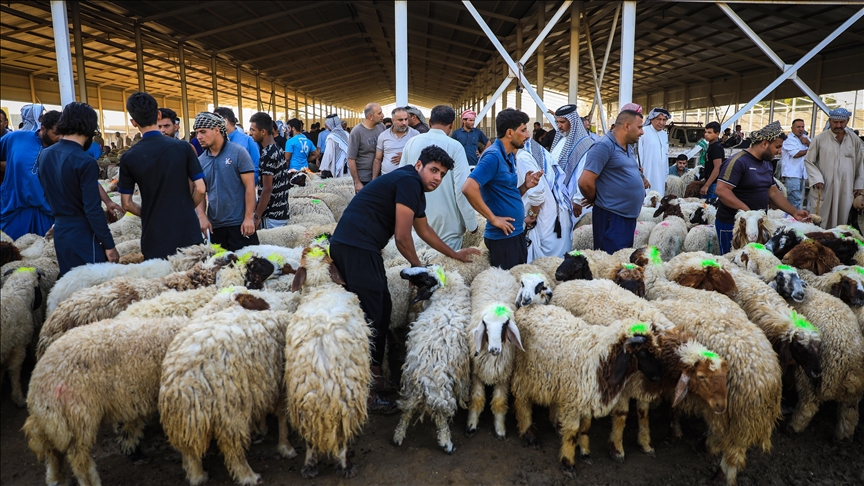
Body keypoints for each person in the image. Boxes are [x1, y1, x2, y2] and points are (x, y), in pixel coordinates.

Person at [331, 145, 480, 413]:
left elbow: (423, 229)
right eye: (434, 170)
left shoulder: (413, 187)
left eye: (443, 174)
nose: (438, 178)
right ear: (419, 165)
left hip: (362, 247)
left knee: (383, 308)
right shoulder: (409, 181)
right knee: (371, 314)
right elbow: (402, 236)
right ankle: (365, 391)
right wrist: (417, 268)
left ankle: (375, 378)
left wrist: (454, 253)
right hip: (355, 246)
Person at [118, 92, 206, 260]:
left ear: (133, 122)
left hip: (155, 235)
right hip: (187, 230)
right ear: (158, 115)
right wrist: (186, 208)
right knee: (193, 280)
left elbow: (126, 203)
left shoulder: (129, 157)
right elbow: (201, 188)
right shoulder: (183, 148)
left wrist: (151, 213)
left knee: (161, 283)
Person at [38, 103, 118, 276]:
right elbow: (92, 209)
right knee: (94, 289)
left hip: (60, 232)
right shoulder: (85, 161)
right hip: (83, 233)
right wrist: (110, 246)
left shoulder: (44, 155)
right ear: (89, 127)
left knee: (71, 286)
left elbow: (45, 192)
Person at [715, 121, 810, 253]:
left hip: (757, 226)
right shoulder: (738, 162)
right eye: (777, 147)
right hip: (733, 225)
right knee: (732, 263)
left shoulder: (766, 164)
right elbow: (722, 190)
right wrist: (748, 213)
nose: (779, 152)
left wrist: (794, 212)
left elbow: (773, 192)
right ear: (764, 144)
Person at [463, 108, 541, 269]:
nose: (528, 135)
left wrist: (525, 186)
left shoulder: (510, 155)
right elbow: (468, 188)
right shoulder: (493, 156)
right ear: (510, 133)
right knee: (508, 288)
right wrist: (493, 219)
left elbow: (505, 194)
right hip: (503, 239)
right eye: (524, 130)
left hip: (515, 234)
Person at [399, 105, 478, 250]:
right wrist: (472, 224)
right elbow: (463, 189)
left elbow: (400, 180)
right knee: (444, 271)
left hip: (416, 222)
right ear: (451, 125)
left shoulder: (412, 143)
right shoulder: (456, 147)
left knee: (419, 268)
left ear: (429, 122)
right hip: (447, 226)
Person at [578, 109, 646, 254]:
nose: (642, 132)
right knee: (611, 263)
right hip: (612, 218)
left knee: (623, 261)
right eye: (639, 127)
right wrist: (596, 199)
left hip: (626, 217)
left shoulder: (627, 147)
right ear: (627, 126)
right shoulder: (603, 146)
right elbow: (585, 182)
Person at [193, 112, 259, 251]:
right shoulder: (201, 161)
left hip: (240, 225)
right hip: (215, 227)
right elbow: (200, 191)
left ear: (217, 130)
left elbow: (250, 187)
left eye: (203, 132)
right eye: (197, 132)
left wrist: (248, 218)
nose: (199, 137)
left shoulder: (238, 153)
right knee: (220, 269)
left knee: (247, 268)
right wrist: (202, 216)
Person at [0, 109, 62, 239]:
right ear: (43, 129)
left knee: (45, 253)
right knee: (12, 253)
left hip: (46, 213)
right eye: (56, 133)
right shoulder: (16, 138)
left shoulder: (61, 151)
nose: (60, 137)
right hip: (14, 211)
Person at [518, 133, 574, 261]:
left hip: (544, 218)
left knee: (543, 265)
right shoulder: (536, 151)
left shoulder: (523, 158)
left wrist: (531, 216)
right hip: (556, 213)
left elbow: (537, 193)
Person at [805, 108, 864, 228]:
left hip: (845, 187)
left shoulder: (854, 140)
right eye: (835, 122)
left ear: (847, 121)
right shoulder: (819, 139)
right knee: (821, 218)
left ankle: (836, 243)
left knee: (842, 219)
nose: (838, 125)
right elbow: (808, 160)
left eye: (841, 122)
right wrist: (817, 178)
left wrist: (859, 184)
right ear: (830, 121)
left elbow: (860, 163)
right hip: (824, 186)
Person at [549, 104, 595, 223]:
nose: (559, 126)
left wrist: (578, 199)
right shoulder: (561, 140)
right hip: (559, 197)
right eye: (557, 122)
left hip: (574, 201)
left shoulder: (585, 144)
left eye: (562, 122)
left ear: (572, 122)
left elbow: (583, 173)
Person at [249, 112, 290, 228]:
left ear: (263, 132)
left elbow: (267, 188)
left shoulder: (268, 154)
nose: (251, 133)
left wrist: (257, 216)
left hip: (271, 216)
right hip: (281, 212)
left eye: (253, 130)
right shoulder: (277, 149)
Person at [213, 107, 261, 185]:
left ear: (225, 121)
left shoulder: (248, 141)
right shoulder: (215, 143)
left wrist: (247, 187)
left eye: (215, 122)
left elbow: (256, 167)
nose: (213, 125)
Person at [348, 102, 385, 192]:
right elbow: (351, 159)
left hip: (380, 175)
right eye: (379, 113)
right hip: (364, 178)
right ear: (370, 117)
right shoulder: (357, 132)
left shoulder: (381, 127)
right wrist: (357, 182)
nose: (383, 115)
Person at [373, 107, 417, 178]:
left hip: (407, 178)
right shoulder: (383, 135)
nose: (404, 123)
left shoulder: (415, 135)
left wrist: (406, 157)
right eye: (400, 120)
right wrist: (374, 180)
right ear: (393, 120)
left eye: (406, 119)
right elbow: (377, 159)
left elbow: (420, 157)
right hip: (386, 179)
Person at [638, 107, 671, 195]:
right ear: (651, 119)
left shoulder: (664, 135)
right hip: (646, 175)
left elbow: (665, 158)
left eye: (664, 120)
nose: (661, 122)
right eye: (659, 119)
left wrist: (665, 179)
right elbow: (638, 156)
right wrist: (641, 176)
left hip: (661, 178)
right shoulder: (643, 132)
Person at [781, 118, 810, 210]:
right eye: (798, 127)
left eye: (802, 127)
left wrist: (808, 143)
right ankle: (792, 221)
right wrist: (810, 149)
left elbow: (817, 148)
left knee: (799, 200)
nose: (801, 129)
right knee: (794, 201)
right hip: (792, 174)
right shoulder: (788, 139)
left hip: (801, 174)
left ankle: (797, 221)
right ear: (792, 128)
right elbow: (796, 154)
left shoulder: (805, 138)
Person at [320, 114, 350, 179]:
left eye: (328, 125)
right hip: (349, 166)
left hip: (338, 167)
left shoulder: (332, 137)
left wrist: (323, 169)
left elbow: (328, 154)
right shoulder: (347, 134)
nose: (327, 127)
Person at [700, 121, 724, 199]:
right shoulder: (711, 146)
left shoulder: (716, 147)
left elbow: (717, 167)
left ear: (717, 134)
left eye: (710, 132)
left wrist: (706, 185)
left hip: (713, 185)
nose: (706, 135)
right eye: (705, 132)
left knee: (708, 208)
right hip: (710, 183)